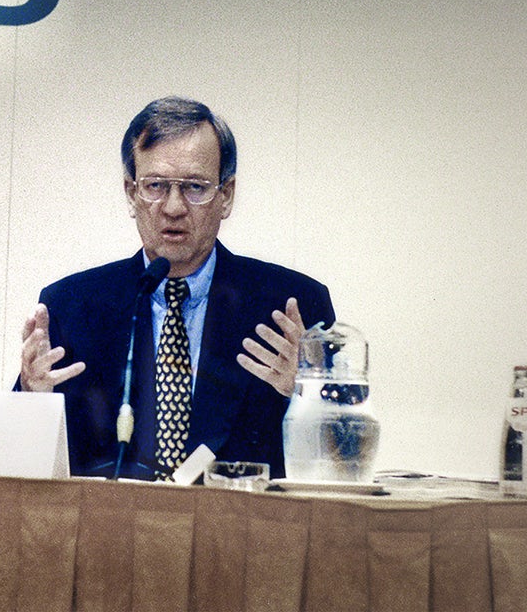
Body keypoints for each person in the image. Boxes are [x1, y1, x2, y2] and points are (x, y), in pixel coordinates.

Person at [18, 96, 335, 480]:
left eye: (195, 187)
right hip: (109, 531)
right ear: (131, 194)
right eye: (154, 186)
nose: (172, 207)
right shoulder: (70, 306)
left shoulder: (290, 308)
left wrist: (307, 400)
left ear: (226, 195)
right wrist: (32, 402)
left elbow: (340, 463)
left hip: (245, 532)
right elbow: (24, 465)